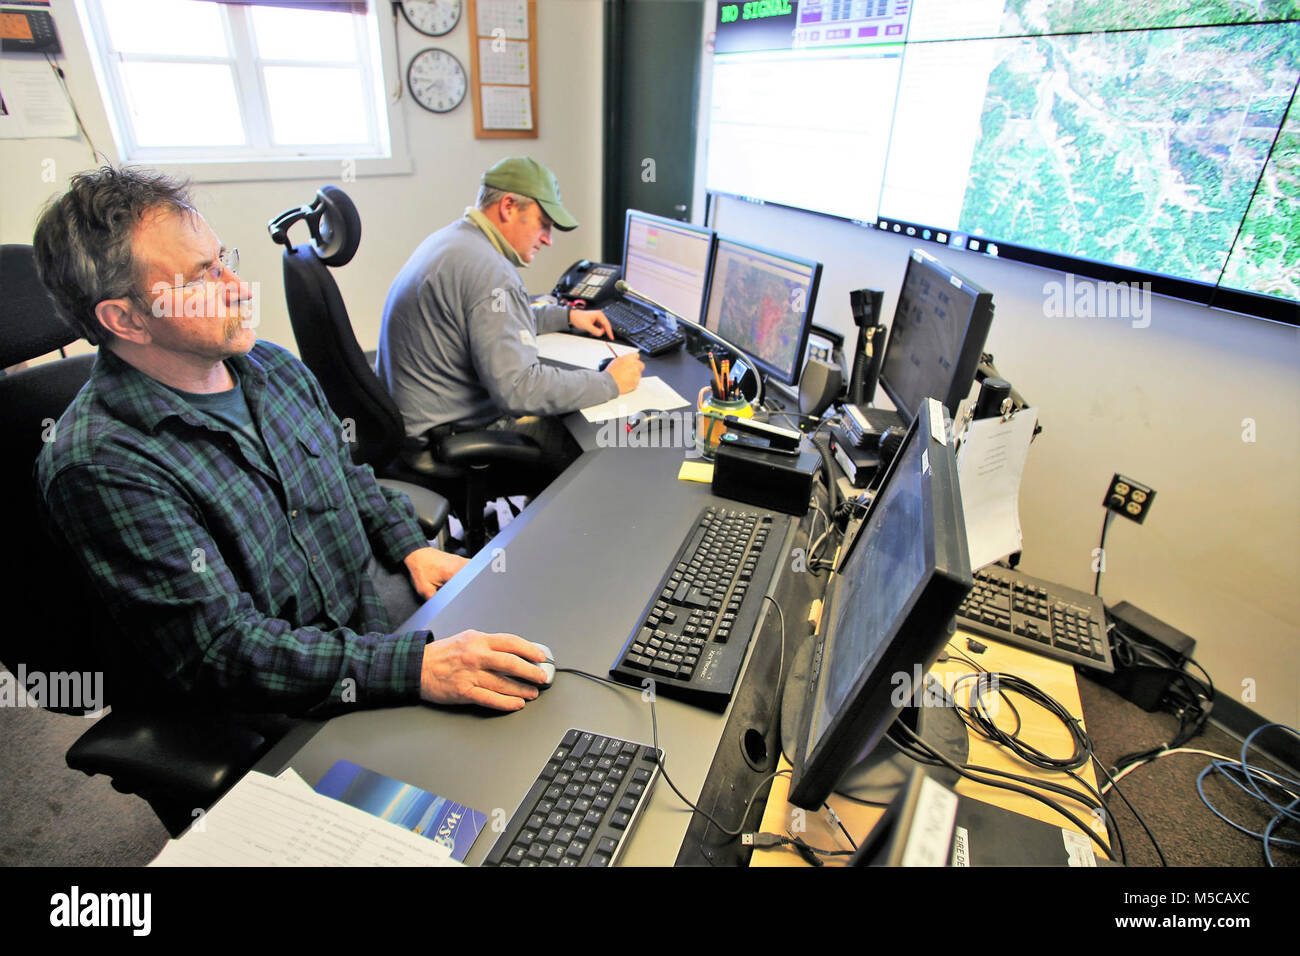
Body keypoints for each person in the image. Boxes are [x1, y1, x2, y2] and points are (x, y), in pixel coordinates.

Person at [32, 165, 549, 717]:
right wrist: (416, 667)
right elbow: (223, 650)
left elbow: (348, 475)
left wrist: (410, 545)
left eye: (222, 260)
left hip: (371, 606)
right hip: (292, 690)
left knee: (555, 641)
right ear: (127, 319)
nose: (237, 289)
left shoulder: (270, 368)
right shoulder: (103, 465)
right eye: (201, 277)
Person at [375, 156, 644, 473]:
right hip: (447, 441)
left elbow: (491, 320)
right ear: (508, 208)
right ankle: (545, 521)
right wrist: (609, 381)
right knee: (595, 445)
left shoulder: (454, 241)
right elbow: (519, 389)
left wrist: (567, 317)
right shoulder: (491, 272)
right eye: (543, 224)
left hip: (410, 427)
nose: (548, 238)